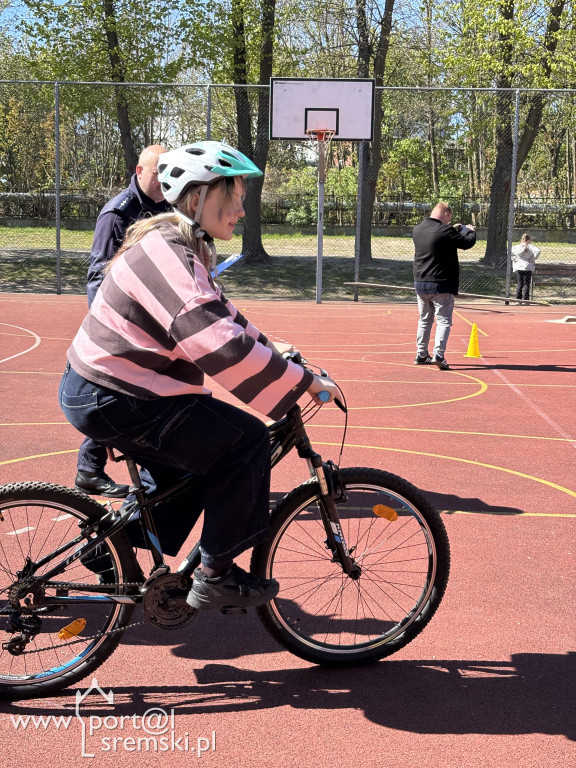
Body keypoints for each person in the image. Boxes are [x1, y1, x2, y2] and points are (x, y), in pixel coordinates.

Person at [59, 140, 340, 612]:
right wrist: (301, 382)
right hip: (116, 394)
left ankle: (110, 547)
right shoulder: (167, 252)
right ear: (197, 199)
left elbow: (225, 315)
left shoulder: (182, 246)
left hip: (111, 387)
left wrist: (276, 352)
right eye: (234, 197)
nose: (241, 210)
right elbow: (216, 341)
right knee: (246, 441)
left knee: (190, 473)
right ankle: (216, 576)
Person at [75, 144, 171, 498]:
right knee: (119, 393)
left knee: (136, 393)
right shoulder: (118, 213)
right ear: (139, 171)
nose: (164, 180)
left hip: (152, 317)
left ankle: (98, 470)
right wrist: (111, 329)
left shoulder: (167, 208)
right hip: (121, 324)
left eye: (169, 173)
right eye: (158, 172)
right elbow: (98, 275)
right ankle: (91, 470)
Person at [412, 202, 477, 370]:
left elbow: (439, 243)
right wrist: (470, 231)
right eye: (449, 218)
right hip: (441, 284)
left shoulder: (418, 229)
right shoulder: (445, 231)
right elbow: (466, 243)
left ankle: (421, 354)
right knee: (444, 320)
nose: (449, 222)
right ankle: (438, 355)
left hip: (421, 282)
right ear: (446, 215)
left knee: (424, 320)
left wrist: (453, 230)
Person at [511, 233, 540, 305]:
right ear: (529, 240)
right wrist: (533, 259)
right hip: (528, 267)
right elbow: (538, 251)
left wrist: (514, 258)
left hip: (519, 267)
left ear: (522, 239)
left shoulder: (516, 247)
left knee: (520, 283)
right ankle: (526, 300)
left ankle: (518, 300)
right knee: (526, 283)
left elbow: (510, 252)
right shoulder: (531, 247)